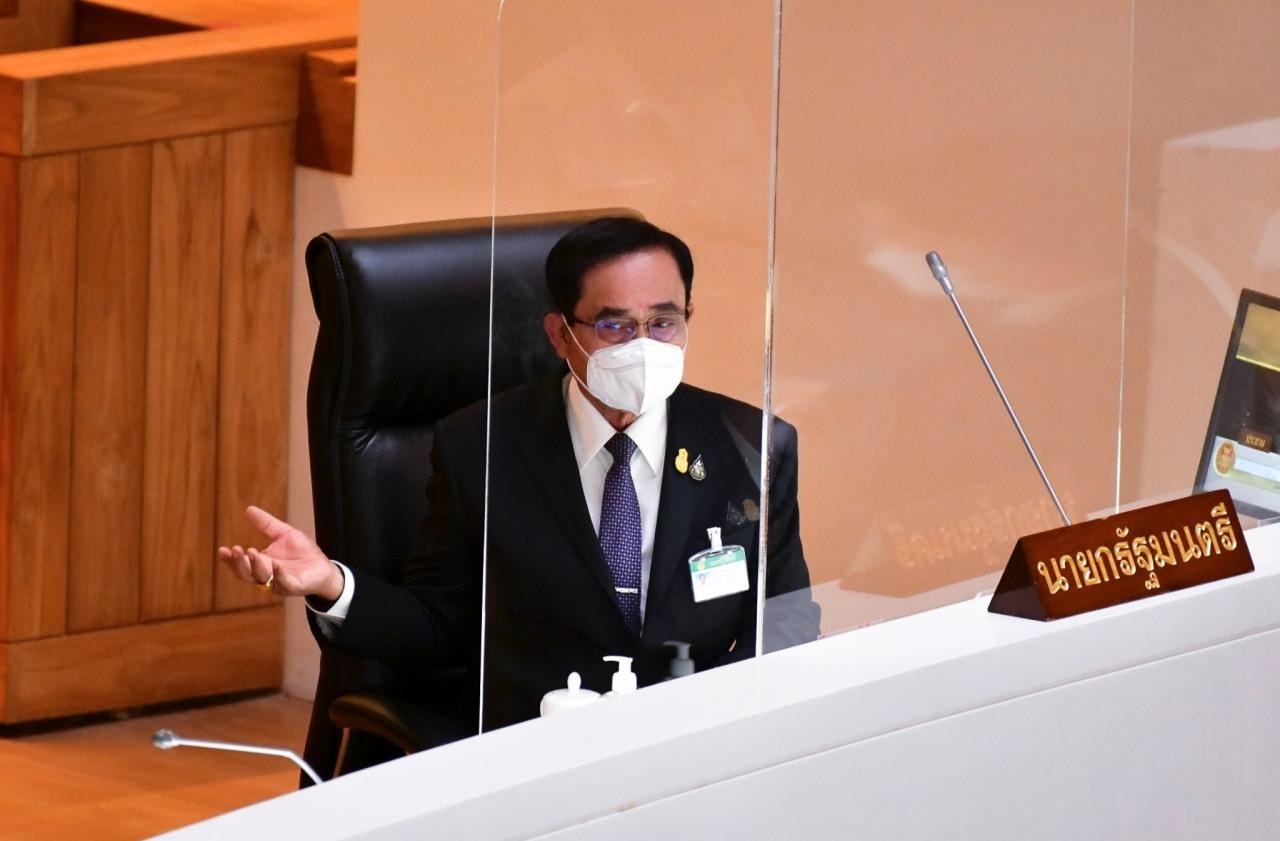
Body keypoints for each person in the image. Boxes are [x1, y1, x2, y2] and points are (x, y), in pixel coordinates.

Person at [219, 217, 818, 730]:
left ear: (688, 316)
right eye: (613, 326)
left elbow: (786, 616)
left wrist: (712, 715)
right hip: (536, 744)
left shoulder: (753, 448)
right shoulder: (481, 446)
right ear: (560, 334)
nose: (642, 344)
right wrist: (331, 584)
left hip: (695, 740)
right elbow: (441, 626)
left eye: (663, 322)